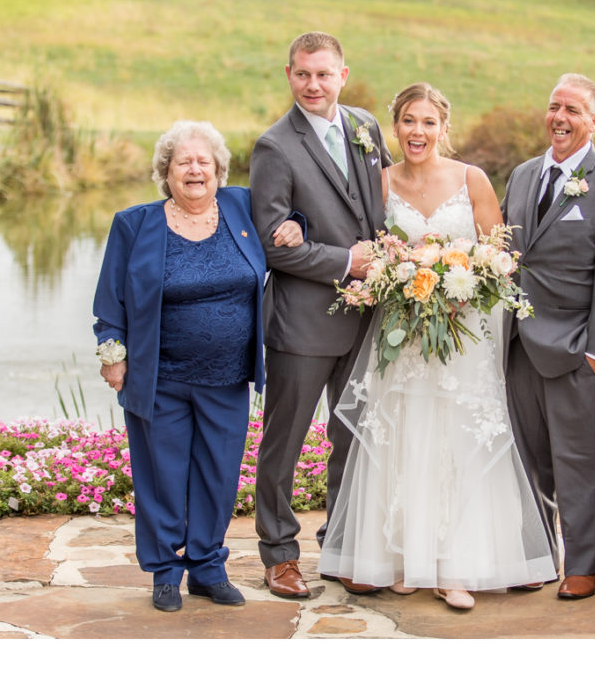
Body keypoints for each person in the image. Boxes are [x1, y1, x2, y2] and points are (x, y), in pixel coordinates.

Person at [319, 83, 557, 610]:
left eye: (428, 122)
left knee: (456, 441)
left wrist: (463, 287)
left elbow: (501, 257)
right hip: (403, 340)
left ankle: (455, 567)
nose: (417, 132)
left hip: (463, 340)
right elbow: (371, 252)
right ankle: (409, 559)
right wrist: (400, 280)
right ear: (395, 126)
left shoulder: (471, 179)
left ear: (443, 127)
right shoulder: (379, 183)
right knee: (406, 438)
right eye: (408, 122)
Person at [93, 120, 304, 612]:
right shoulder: (134, 224)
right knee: (161, 475)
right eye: (182, 162)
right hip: (158, 376)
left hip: (228, 376)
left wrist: (299, 225)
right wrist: (113, 353)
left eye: (202, 162)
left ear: (218, 170)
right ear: (165, 172)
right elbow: (110, 302)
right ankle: (166, 573)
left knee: (218, 475)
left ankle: (208, 567)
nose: (193, 170)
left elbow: (287, 219)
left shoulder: (241, 207)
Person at [248, 31, 392, 599]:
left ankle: (342, 544)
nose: (314, 85)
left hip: (366, 319)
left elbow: (378, 208)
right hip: (302, 321)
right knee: (283, 441)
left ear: (343, 75)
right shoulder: (274, 147)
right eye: (303, 74)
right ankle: (279, 553)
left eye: (324, 74)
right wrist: (348, 261)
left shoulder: (365, 126)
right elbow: (272, 244)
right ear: (289, 75)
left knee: (351, 435)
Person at [500, 73, 595, 601]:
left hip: (577, 349)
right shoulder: (520, 175)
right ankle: (537, 557)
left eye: (573, 110)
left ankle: (584, 563)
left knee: (580, 462)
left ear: (594, 121)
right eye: (554, 105)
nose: (560, 117)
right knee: (527, 458)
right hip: (518, 344)